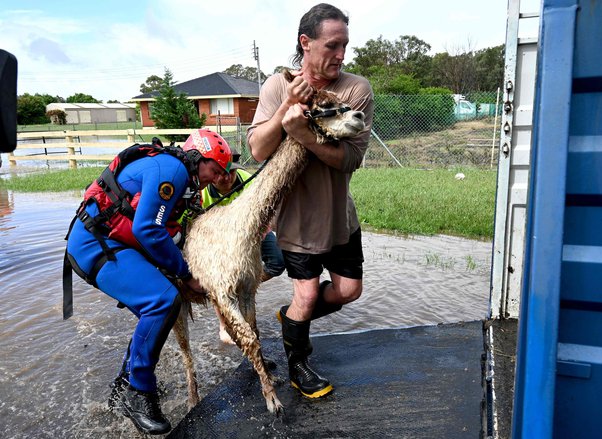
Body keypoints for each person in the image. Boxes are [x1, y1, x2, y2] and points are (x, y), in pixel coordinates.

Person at [64, 129, 232, 435]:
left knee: (156, 307)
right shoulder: (172, 170)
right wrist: (185, 274)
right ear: (199, 158)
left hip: (109, 242)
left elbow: (159, 229)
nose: (217, 178)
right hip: (94, 246)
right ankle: (138, 392)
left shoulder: (177, 173)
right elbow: (147, 230)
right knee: (163, 300)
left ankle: (125, 384)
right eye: (215, 169)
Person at [247, 3, 374, 399]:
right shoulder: (275, 87)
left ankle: (290, 322)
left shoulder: (355, 89)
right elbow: (256, 150)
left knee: (349, 290)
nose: (341, 54)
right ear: (306, 43)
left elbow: (350, 158)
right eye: (332, 45)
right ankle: (299, 366)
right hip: (296, 222)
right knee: (306, 292)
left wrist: (302, 133)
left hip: (339, 218)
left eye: (345, 46)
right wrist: (287, 107)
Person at [199, 150, 286, 344]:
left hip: (252, 234)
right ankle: (224, 324)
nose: (228, 177)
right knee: (219, 282)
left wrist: (259, 234)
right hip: (219, 238)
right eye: (222, 173)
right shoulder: (202, 192)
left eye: (232, 172)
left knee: (278, 262)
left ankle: (244, 288)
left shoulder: (248, 180)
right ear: (213, 176)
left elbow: (267, 213)